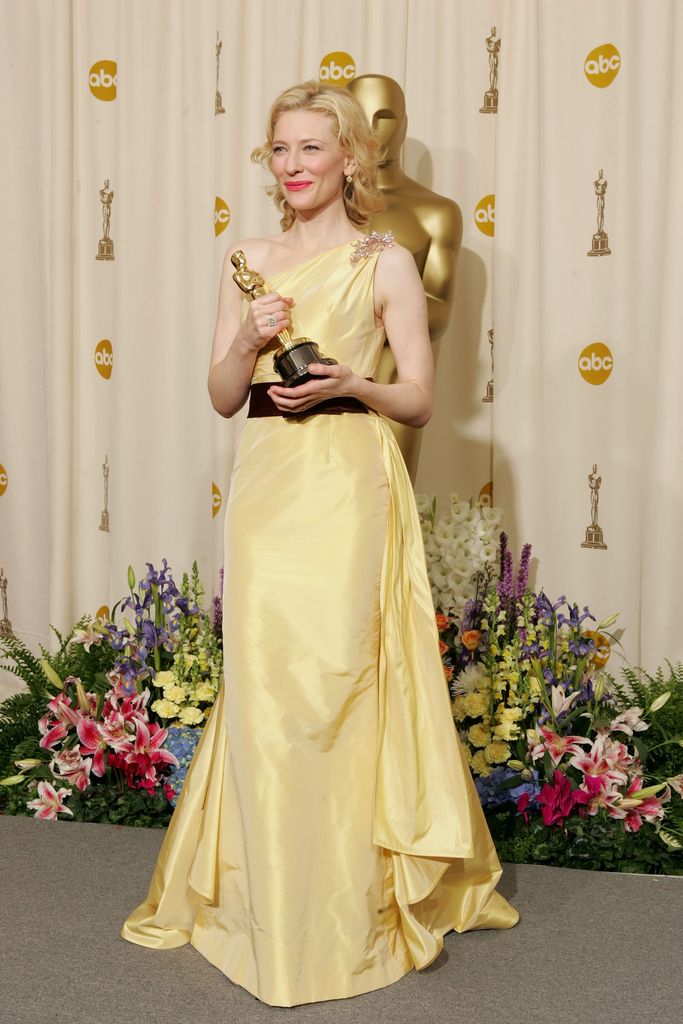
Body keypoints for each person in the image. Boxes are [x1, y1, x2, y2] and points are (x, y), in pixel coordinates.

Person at [120, 80, 518, 1007]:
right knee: (267, 685)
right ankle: (261, 903)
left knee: (336, 683)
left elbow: (419, 396)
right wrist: (245, 343)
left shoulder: (385, 260)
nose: (293, 166)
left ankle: (346, 905)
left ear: (350, 158)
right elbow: (221, 394)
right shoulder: (247, 261)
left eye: (310, 149)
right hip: (268, 486)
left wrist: (355, 384)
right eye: (279, 150)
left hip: (346, 482)